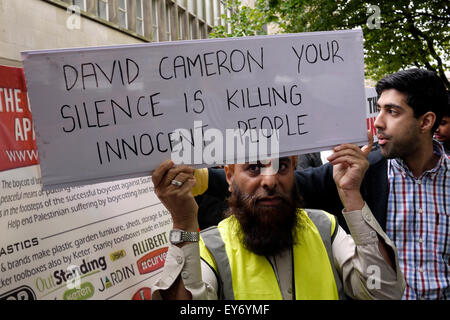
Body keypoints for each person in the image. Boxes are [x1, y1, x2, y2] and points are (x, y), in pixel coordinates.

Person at [197, 68, 449, 300]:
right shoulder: (361, 169)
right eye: (379, 109)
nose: (378, 122)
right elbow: (289, 184)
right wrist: (204, 179)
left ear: (426, 122)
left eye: (392, 111)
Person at [150, 141, 405, 299]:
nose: (270, 180)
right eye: (254, 168)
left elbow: (382, 291)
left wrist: (351, 194)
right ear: (229, 176)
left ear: (294, 169)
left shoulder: (325, 227)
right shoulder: (209, 247)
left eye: (282, 166)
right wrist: (183, 223)